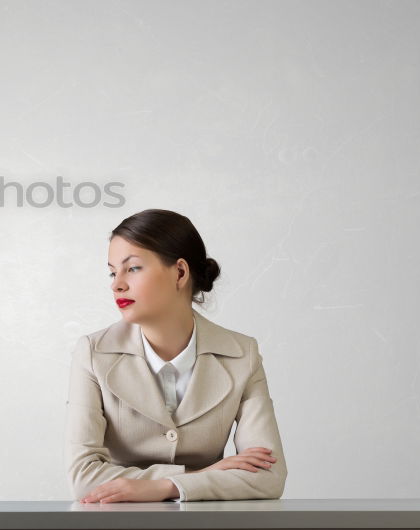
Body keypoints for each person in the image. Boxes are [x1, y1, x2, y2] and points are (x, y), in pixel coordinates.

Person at [66, 208, 288, 503]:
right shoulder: (94, 353)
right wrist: (199, 476)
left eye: (132, 268)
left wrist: (165, 487)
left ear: (180, 272)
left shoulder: (241, 354)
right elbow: (82, 478)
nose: (116, 284)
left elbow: (268, 478)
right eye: (112, 271)